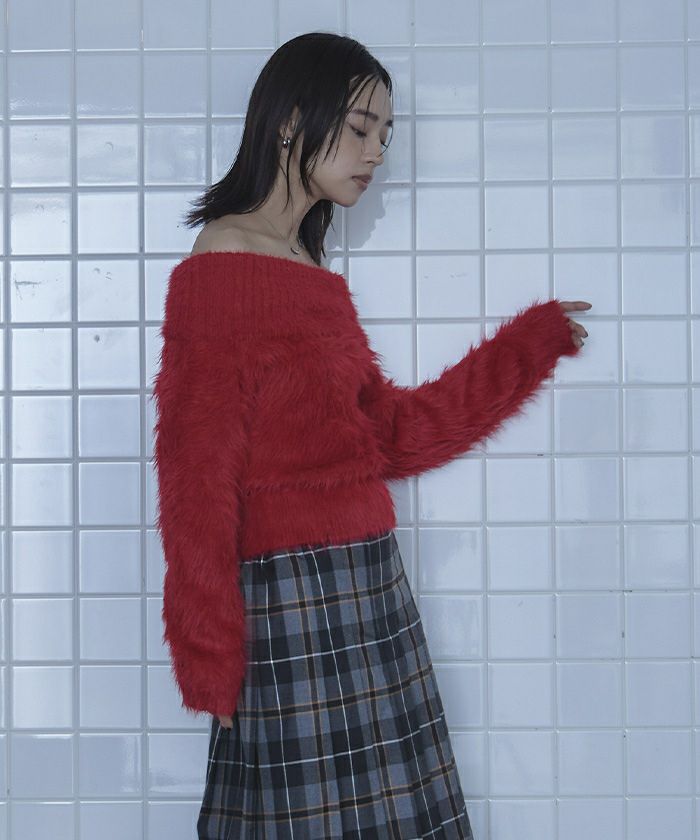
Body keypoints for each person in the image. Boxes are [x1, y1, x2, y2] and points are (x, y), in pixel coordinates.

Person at [152, 31, 590, 840]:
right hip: (289, 597)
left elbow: (391, 435)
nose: (377, 152)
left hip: (368, 582)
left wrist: (529, 346)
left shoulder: (310, 272)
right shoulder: (223, 257)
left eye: (385, 133)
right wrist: (208, 654)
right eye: (360, 128)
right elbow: (194, 476)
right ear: (292, 121)